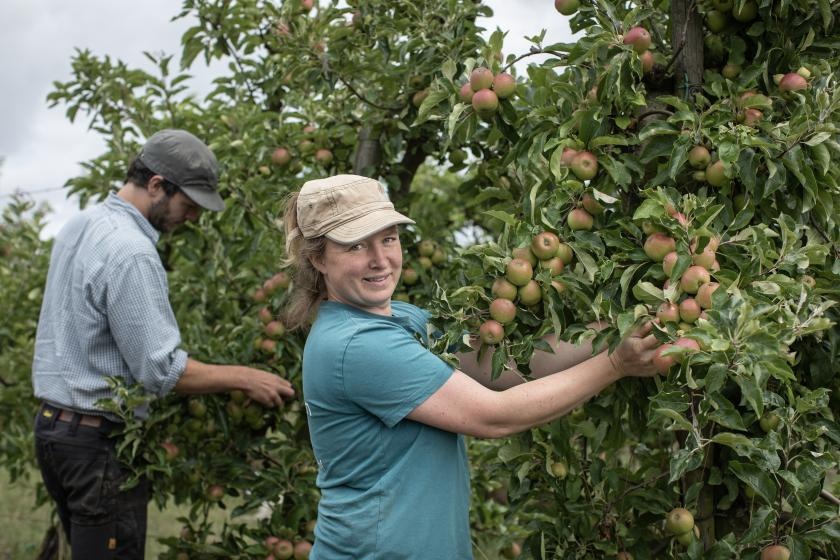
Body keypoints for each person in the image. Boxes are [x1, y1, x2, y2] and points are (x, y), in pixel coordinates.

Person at [281, 174, 660, 559]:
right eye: (356, 246)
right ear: (317, 258)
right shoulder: (358, 345)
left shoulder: (399, 319)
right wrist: (615, 364)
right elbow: (494, 417)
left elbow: (505, 362)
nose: (380, 260)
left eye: (389, 239)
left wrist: (613, 332)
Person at [31, 129, 295, 560]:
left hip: (54, 432)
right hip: (96, 444)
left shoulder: (82, 224)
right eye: (187, 205)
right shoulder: (131, 252)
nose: (192, 218)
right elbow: (161, 371)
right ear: (156, 184)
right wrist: (246, 377)